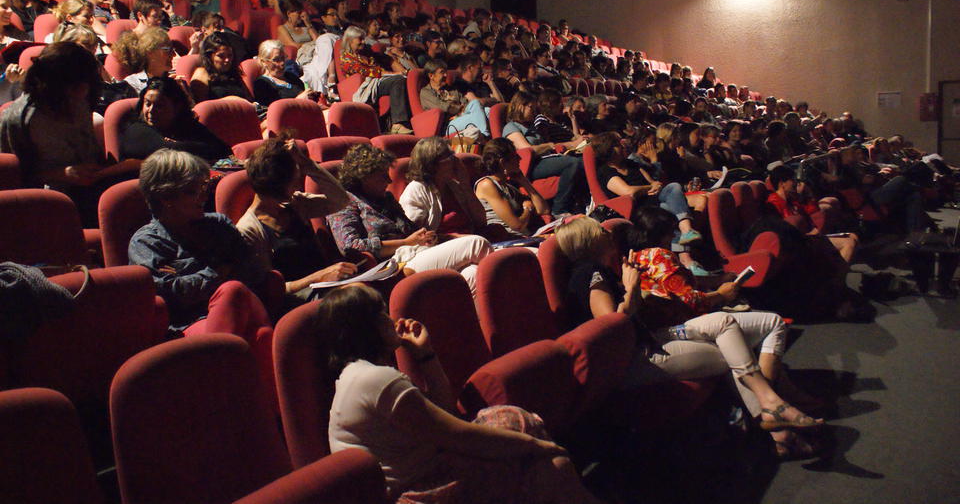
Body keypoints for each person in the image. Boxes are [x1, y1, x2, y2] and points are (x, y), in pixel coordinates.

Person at [555, 217, 822, 460]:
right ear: (589, 240)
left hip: (647, 342)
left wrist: (633, 286)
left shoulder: (599, 270)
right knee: (734, 350)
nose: (607, 232)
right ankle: (776, 424)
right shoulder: (589, 272)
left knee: (725, 326)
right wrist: (632, 287)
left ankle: (772, 411)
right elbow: (613, 323)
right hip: (633, 360)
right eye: (599, 230)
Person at [321, 283, 603, 503]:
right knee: (546, 461)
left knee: (524, 440)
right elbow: (457, 434)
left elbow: (446, 411)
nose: (390, 319)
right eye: (381, 314)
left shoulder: (361, 375)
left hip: (429, 476)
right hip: (418, 491)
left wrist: (425, 355)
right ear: (366, 329)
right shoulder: (373, 380)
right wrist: (535, 445)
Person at [128, 149, 272, 339]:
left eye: (204, 188)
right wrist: (217, 273)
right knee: (232, 292)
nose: (203, 197)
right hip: (189, 323)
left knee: (249, 292)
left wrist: (197, 282)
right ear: (165, 197)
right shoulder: (147, 243)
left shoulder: (219, 224)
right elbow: (171, 295)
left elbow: (251, 270)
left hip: (244, 305)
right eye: (192, 191)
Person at [0, 43, 139, 224]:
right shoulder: (19, 118)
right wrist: (62, 174)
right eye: (78, 85)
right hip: (50, 202)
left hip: (91, 188)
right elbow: (14, 180)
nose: (84, 90)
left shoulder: (79, 101)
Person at [327, 144, 493, 293]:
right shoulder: (343, 203)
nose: (389, 180)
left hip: (415, 253)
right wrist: (407, 242)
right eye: (382, 176)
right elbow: (350, 246)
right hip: (391, 267)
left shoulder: (386, 198)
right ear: (363, 177)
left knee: (472, 273)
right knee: (477, 243)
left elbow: (412, 232)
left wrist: (429, 237)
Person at [237, 135, 358, 298]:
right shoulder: (249, 230)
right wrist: (319, 276)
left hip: (328, 285)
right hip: (298, 298)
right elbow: (269, 291)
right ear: (276, 185)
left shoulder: (295, 204)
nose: (298, 185)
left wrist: (307, 163)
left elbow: (340, 200)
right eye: (294, 181)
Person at [502, 91, 587, 216]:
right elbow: (527, 150)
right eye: (531, 107)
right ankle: (559, 209)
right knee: (572, 163)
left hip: (545, 159)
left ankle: (582, 204)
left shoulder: (532, 127)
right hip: (531, 165)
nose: (534, 112)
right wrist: (548, 145)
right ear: (520, 106)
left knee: (582, 161)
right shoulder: (511, 127)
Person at [119, 76, 230, 162]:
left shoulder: (186, 125)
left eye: (160, 106)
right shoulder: (136, 131)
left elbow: (223, 149)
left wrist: (183, 144)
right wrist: (183, 145)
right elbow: (172, 151)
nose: (151, 110)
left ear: (177, 107)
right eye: (148, 104)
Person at [398, 137, 492, 238]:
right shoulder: (416, 189)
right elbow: (417, 236)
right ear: (432, 164)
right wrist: (455, 238)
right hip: (439, 246)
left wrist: (465, 185)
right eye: (449, 158)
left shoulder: (453, 185)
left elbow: (481, 221)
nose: (455, 161)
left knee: (497, 230)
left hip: (469, 240)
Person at [339, 25, 412, 134]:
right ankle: (397, 124)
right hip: (367, 84)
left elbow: (383, 59)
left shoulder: (366, 52)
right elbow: (370, 72)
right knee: (398, 80)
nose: (363, 42)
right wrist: (394, 73)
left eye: (363, 39)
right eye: (360, 39)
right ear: (350, 41)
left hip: (378, 80)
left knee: (405, 80)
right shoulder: (346, 59)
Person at [474, 138, 551, 236]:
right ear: (503, 163)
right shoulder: (487, 185)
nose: (520, 158)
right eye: (515, 156)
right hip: (506, 240)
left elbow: (544, 210)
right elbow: (517, 226)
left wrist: (524, 181)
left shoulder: (509, 186)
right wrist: (527, 208)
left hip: (524, 237)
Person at [419, 58, 491, 140]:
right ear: (431, 76)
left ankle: (485, 134)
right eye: (442, 72)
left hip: (461, 116)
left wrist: (461, 108)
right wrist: (460, 108)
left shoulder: (452, 89)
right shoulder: (426, 92)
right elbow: (444, 107)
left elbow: (466, 103)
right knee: (479, 116)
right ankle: (486, 135)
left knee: (486, 109)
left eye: (446, 72)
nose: (446, 75)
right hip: (446, 125)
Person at [190, 31, 252, 102]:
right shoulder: (202, 74)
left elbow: (249, 99)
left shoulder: (234, 72)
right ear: (209, 57)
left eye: (230, 55)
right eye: (221, 56)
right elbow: (201, 107)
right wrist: (230, 100)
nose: (227, 60)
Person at [114, 26, 175, 93]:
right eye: (167, 49)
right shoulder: (132, 85)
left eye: (172, 49)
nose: (173, 54)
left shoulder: (174, 81)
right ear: (149, 52)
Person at [253, 39, 313, 106]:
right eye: (276, 60)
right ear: (264, 62)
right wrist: (297, 100)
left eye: (283, 58)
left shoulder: (290, 76)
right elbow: (272, 110)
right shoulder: (262, 84)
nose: (282, 63)